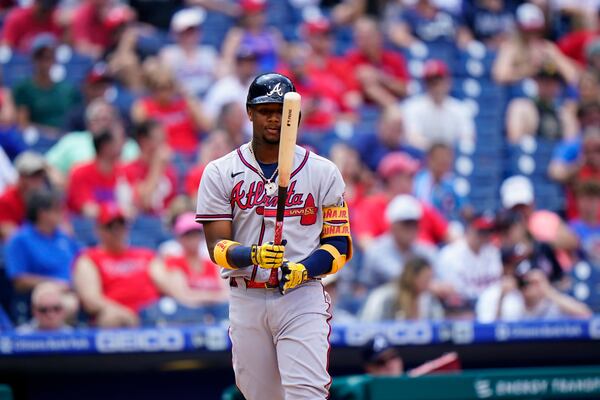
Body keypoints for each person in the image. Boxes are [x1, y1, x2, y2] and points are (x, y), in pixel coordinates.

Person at [196, 73, 352, 400]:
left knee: (306, 393)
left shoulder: (323, 172)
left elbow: (339, 245)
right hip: (246, 295)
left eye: (282, 110)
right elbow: (217, 247)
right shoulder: (220, 172)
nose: (274, 118)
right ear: (250, 112)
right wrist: (252, 255)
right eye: (266, 109)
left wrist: (304, 269)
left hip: (300, 295)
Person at [72, 204, 162, 327]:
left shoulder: (146, 255)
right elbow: (91, 300)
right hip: (118, 315)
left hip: (152, 312)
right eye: (111, 227)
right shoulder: (89, 259)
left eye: (121, 226)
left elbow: (168, 284)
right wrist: (126, 313)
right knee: (112, 319)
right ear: (99, 230)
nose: (117, 231)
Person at [4, 190, 79, 295]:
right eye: (58, 210)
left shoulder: (64, 236)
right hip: (45, 297)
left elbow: (82, 259)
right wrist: (55, 284)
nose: (63, 214)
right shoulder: (20, 240)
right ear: (42, 214)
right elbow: (19, 281)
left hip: (75, 290)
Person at [131, 58, 211, 155]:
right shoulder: (143, 107)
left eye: (168, 87)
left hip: (192, 153)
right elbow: (143, 136)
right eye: (160, 88)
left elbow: (206, 126)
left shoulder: (185, 104)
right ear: (152, 88)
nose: (165, 93)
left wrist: (187, 97)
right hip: (164, 155)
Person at [46, 99, 139, 180]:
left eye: (108, 119)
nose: (104, 124)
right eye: (99, 119)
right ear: (89, 123)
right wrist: (64, 183)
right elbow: (48, 164)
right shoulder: (72, 141)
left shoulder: (128, 145)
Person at [360, 195, 437, 291]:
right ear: (392, 225)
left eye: (414, 224)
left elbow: (440, 276)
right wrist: (432, 286)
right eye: (406, 224)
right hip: (380, 302)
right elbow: (403, 279)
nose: (411, 229)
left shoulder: (424, 250)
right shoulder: (377, 250)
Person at [492, 3, 579, 85]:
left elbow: (573, 77)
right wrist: (529, 69)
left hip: (547, 95)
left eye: (536, 30)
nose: (533, 34)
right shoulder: (511, 47)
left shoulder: (547, 47)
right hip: (520, 95)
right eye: (528, 30)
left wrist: (556, 60)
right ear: (519, 29)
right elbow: (499, 76)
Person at [13, 34, 80, 135]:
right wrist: (51, 133)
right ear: (33, 59)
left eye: (48, 57)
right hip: (37, 141)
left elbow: (77, 121)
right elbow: (23, 125)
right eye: (40, 57)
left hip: (67, 140)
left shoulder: (68, 90)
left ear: (54, 59)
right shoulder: (24, 88)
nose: (44, 62)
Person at [435, 213, 502, 314]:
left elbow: (496, 284)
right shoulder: (450, 253)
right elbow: (450, 292)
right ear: (469, 230)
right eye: (481, 231)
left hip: (488, 303)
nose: (484, 236)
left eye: (488, 232)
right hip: (462, 306)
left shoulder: (492, 252)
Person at [402, 59, 475, 151]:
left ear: (448, 82)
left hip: (452, 159)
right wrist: (438, 152)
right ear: (425, 84)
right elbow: (412, 138)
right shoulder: (412, 107)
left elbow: (467, 139)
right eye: (431, 82)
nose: (436, 86)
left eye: (439, 81)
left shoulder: (460, 109)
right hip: (422, 159)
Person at [158, 212, 229, 307]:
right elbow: (183, 296)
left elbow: (227, 294)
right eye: (188, 235)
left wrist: (200, 296)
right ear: (179, 238)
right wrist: (213, 297)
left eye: (196, 234)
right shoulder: (174, 262)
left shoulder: (212, 263)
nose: (193, 239)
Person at [65, 119, 129, 218]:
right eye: (120, 140)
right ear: (105, 146)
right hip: (86, 228)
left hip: (116, 227)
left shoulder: (123, 172)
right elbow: (88, 210)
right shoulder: (81, 172)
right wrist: (117, 210)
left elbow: (131, 209)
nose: (124, 144)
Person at [505, 62, 578, 143]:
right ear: (536, 81)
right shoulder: (522, 107)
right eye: (543, 80)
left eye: (552, 82)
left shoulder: (564, 113)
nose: (547, 85)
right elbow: (515, 144)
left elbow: (570, 146)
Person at [345, 16, 409, 107]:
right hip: (366, 107)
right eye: (360, 37)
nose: (364, 42)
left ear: (378, 36)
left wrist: (381, 77)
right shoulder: (351, 59)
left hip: (397, 102)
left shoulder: (394, 58)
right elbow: (352, 91)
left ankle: (393, 108)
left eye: (368, 36)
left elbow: (404, 90)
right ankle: (392, 107)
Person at [361, 257, 444, 322]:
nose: (429, 283)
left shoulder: (429, 300)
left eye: (430, 279)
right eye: (426, 279)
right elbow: (372, 324)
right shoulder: (386, 297)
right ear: (413, 277)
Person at [160, 7, 219, 99]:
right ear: (177, 33)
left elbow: (221, 78)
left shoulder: (209, 53)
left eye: (194, 30)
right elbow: (166, 83)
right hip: (180, 100)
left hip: (207, 98)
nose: (191, 35)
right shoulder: (169, 54)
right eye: (187, 31)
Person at [122, 120, 177, 215]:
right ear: (144, 141)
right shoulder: (128, 169)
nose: (164, 145)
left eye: (165, 140)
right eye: (159, 140)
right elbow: (145, 204)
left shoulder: (169, 170)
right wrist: (156, 167)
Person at [414, 142, 470, 222]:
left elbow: (465, 209)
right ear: (429, 159)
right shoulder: (418, 180)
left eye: (447, 157)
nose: (444, 160)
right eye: (440, 157)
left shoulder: (455, 184)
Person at [0, 151, 48, 240]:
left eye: (41, 175)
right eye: (33, 175)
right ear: (21, 177)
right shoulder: (5, 201)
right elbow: (13, 240)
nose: (38, 180)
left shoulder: (48, 200)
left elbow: (66, 233)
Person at [569, 180, 600, 264]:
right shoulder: (571, 228)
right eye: (584, 200)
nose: (588, 205)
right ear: (578, 202)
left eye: (592, 200)